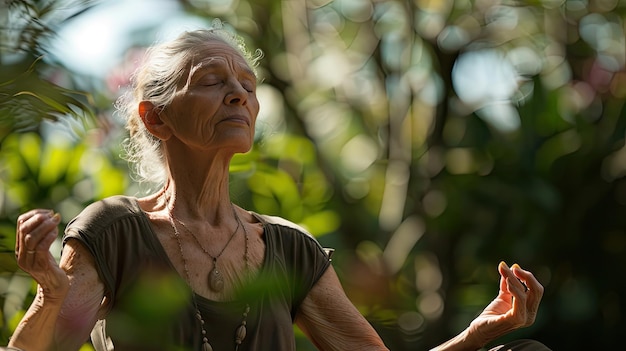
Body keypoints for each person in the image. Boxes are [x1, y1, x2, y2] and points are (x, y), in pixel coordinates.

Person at [9, 23, 550, 351]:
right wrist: (51, 294)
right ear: (156, 119)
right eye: (212, 81)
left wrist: (476, 334)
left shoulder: (289, 248)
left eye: (246, 84)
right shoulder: (115, 231)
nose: (239, 95)